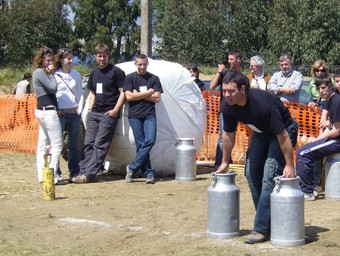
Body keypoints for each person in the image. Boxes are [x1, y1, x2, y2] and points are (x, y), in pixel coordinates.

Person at [216, 70, 298, 244]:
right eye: (224, 91)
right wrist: (224, 162)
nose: (227, 95)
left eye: (231, 91)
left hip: (283, 131)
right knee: (251, 174)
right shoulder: (227, 106)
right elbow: (228, 135)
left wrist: (290, 165)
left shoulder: (262, 105)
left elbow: (283, 135)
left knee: (269, 175)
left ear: (243, 89)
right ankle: (268, 220)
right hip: (261, 133)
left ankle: (261, 228)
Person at [72, 43, 126, 184]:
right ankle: (82, 171)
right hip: (94, 114)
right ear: (95, 56)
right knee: (88, 143)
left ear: (108, 55)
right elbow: (93, 93)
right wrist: (90, 109)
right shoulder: (94, 73)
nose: (101, 59)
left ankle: (90, 174)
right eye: (99, 56)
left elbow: (123, 93)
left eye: (104, 56)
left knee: (100, 144)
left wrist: (115, 110)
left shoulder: (116, 72)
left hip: (108, 115)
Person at [296, 75, 340, 201]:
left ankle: (307, 191)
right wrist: (318, 139)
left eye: (323, 88)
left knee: (303, 153)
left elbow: (336, 130)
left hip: (337, 141)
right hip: (334, 138)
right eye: (318, 88)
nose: (321, 91)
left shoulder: (337, 101)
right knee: (306, 150)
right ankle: (313, 187)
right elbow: (327, 126)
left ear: (330, 87)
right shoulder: (328, 101)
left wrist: (317, 140)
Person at [124, 54, 163, 184]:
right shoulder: (130, 78)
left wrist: (138, 95)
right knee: (140, 144)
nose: (142, 66)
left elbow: (157, 98)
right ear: (135, 64)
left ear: (147, 63)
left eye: (144, 64)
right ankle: (149, 173)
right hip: (135, 115)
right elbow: (128, 97)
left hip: (149, 115)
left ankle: (132, 167)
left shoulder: (154, 78)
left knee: (150, 140)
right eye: (139, 64)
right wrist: (147, 93)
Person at [32, 46, 66, 185]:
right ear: (41, 60)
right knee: (57, 144)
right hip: (47, 111)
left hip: (44, 110)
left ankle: (43, 175)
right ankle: (51, 175)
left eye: (52, 60)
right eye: (48, 60)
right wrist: (52, 74)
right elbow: (53, 88)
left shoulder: (40, 72)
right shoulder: (40, 73)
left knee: (44, 144)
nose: (50, 63)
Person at [210, 51, 243, 169]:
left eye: (231, 59)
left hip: (240, 110)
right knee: (224, 136)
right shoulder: (224, 73)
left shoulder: (242, 76)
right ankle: (220, 163)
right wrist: (219, 71)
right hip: (226, 109)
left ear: (238, 60)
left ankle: (227, 160)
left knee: (235, 135)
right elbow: (212, 86)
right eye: (228, 59)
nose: (229, 61)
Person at [54, 48, 84, 181]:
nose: (70, 60)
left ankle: (74, 172)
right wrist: (56, 108)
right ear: (61, 60)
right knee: (58, 144)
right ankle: (57, 173)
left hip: (74, 113)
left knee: (74, 144)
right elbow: (53, 94)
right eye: (67, 58)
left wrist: (80, 109)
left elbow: (80, 93)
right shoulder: (55, 75)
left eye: (71, 58)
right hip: (61, 113)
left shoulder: (76, 74)